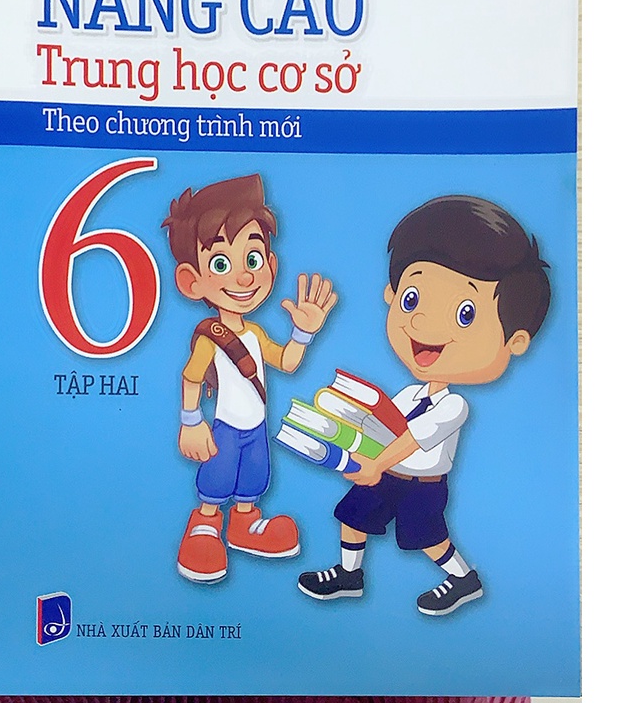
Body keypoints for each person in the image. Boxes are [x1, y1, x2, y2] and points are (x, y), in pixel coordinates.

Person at [297, 196, 550, 615]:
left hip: (422, 485)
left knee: (429, 538)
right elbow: (384, 427)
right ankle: (349, 574)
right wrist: (349, 439)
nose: (422, 323)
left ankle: (463, 578)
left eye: (465, 314)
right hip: (386, 474)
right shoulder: (409, 395)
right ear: (392, 294)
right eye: (412, 299)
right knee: (354, 515)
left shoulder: (454, 407)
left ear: (515, 340)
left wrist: (375, 464)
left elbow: (413, 438)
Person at [163, 174, 337, 583]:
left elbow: (287, 363)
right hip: (225, 426)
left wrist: (303, 333)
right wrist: (191, 421)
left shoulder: (256, 334)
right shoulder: (210, 336)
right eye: (221, 264)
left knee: (254, 477)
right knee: (217, 477)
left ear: (270, 266)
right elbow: (191, 377)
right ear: (192, 281)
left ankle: (245, 523)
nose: (243, 278)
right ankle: (205, 524)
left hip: (256, 427)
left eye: (253, 259)